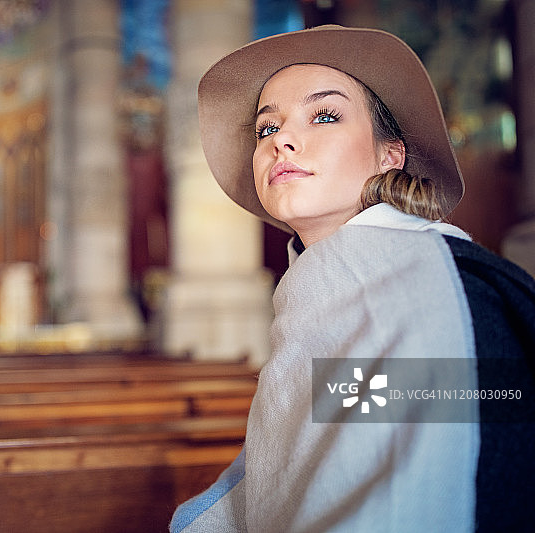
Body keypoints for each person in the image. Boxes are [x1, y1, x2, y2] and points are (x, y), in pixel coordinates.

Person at [170, 25, 535, 532]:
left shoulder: (432, 288)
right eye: (266, 129)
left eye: (324, 115)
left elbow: (442, 479)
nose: (283, 142)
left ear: (390, 155)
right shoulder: (322, 289)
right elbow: (307, 465)